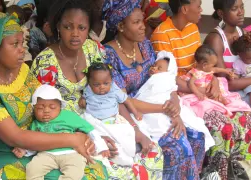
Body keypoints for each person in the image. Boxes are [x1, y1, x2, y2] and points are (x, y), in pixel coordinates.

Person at [0, 9, 106, 180]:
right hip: (12, 154)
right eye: (14, 44)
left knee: (92, 167)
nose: (22, 49)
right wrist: (71, 139)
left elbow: (47, 104)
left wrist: (81, 133)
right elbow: (15, 137)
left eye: (22, 42)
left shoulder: (21, 70)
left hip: (43, 139)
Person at [32, 0, 163, 179]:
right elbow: (45, 114)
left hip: (105, 119)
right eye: (68, 27)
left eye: (82, 27)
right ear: (57, 27)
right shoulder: (45, 64)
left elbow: (113, 92)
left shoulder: (93, 50)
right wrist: (91, 137)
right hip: (70, 131)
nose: (75, 34)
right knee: (118, 172)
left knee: (153, 154)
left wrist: (135, 130)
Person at [102, 0, 205, 179]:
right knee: (176, 147)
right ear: (120, 26)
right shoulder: (108, 55)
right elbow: (121, 99)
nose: (143, 27)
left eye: (141, 21)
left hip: (160, 103)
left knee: (197, 138)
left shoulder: (145, 45)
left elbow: (163, 78)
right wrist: (165, 109)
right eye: (136, 23)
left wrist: (174, 104)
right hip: (134, 113)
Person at [151, 0, 251, 179]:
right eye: (198, 6)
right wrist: (197, 89)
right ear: (184, 8)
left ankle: (235, 168)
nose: (201, 10)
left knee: (245, 117)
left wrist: (213, 79)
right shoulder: (162, 34)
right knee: (224, 126)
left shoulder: (192, 28)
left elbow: (203, 65)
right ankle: (215, 173)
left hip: (202, 83)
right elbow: (167, 77)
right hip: (182, 92)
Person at [13, 85, 109, 180]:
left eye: (52, 107)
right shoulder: (35, 124)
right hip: (46, 154)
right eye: (40, 108)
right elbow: (34, 143)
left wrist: (102, 146)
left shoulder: (68, 116)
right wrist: (25, 151)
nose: (46, 111)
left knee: (75, 172)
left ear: (60, 107)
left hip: (71, 153)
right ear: (34, 109)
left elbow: (90, 130)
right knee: (32, 168)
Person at [134, 50, 215, 151]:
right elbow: (145, 96)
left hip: (167, 105)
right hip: (153, 107)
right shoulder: (148, 81)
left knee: (186, 124)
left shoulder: (166, 79)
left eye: (159, 68)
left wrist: (174, 108)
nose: (154, 68)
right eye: (154, 65)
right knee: (161, 124)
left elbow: (171, 92)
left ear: (168, 72)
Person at [81, 62, 141, 166]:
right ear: (90, 83)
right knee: (110, 143)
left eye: (106, 83)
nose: (101, 87)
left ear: (111, 81)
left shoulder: (114, 89)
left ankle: (131, 149)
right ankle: (126, 159)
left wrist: (136, 113)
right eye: (96, 84)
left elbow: (126, 100)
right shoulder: (88, 90)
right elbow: (84, 96)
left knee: (128, 132)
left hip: (114, 120)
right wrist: (82, 99)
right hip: (98, 122)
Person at [180, 45, 251, 118]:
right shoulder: (196, 73)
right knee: (213, 94)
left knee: (220, 85)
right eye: (212, 65)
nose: (213, 67)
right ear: (204, 65)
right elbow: (191, 84)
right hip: (202, 88)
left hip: (208, 85)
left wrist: (226, 71)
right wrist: (198, 93)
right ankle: (221, 101)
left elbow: (216, 69)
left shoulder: (207, 68)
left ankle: (222, 99)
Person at [203, 0, 251, 104]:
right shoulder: (216, 39)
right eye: (234, 9)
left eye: (242, 7)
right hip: (226, 95)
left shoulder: (243, 33)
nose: (241, 12)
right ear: (221, 13)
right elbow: (226, 83)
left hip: (244, 88)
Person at [232, 32, 251, 102]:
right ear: (240, 55)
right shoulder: (238, 63)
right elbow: (236, 75)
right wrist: (233, 75)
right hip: (248, 84)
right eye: (248, 59)